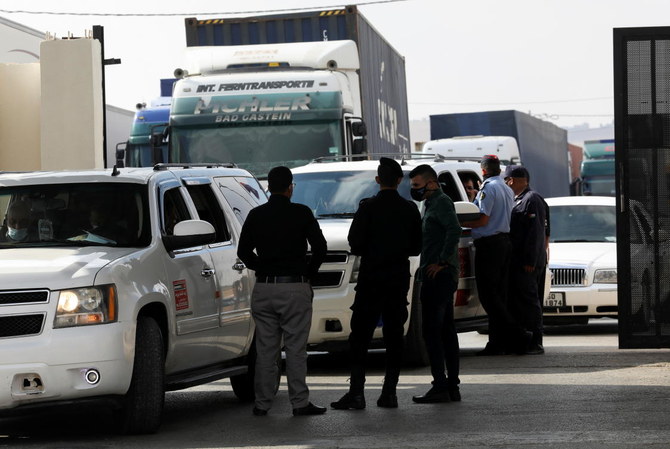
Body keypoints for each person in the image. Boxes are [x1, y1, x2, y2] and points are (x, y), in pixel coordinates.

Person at [331, 157, 422, 410]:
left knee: (360, 336)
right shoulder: (410, 209)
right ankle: (389, 393)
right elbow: (416, 247)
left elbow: (355, 244)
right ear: (400, 180)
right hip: (397, 280)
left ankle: (357, 394)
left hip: (371, 280)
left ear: (378, 180)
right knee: (394, 336)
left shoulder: (367, 207)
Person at [237, 166, 328, 417]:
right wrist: (309, 273)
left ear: (268, 187)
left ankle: (262, 403)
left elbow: (243, 253)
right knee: (296, 349)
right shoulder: (302, 213)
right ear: (291, 187)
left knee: (266, 349)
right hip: (294, 286)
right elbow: (320, 247)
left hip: (264, 288)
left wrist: (262, 267)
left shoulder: (256, 215)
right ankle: (299, 403)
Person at [460, 155, 529, 356]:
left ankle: (519, 333)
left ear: (483, 170)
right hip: (503, 244)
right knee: (499, 295)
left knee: (489, 296)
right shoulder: (506, 188)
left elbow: (482, 220)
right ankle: (498, 343)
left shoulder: (488, 188)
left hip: (490, 246)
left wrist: (459, 224)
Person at [409, 164, 463, 404]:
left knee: (433, 332)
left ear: (431, 183)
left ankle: (442, 384)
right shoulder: (429, 204)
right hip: (433, 274)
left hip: (439, 276)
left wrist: (442, 261)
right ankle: (450, 386)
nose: (415, 190)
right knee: (444, 331)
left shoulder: (441, 202)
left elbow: (454, 230)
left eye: (417, 186)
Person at [504, 166, 550, 355]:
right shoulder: (518, 200)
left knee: (530, 302)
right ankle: (523, 340)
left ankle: (535, 342)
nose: (506, 184)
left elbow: (537, 234)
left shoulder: (531, 200)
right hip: (520, 261)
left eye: (506, 181)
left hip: (528, 262)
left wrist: (530, 260)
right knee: (521, 302)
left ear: (512, 180)